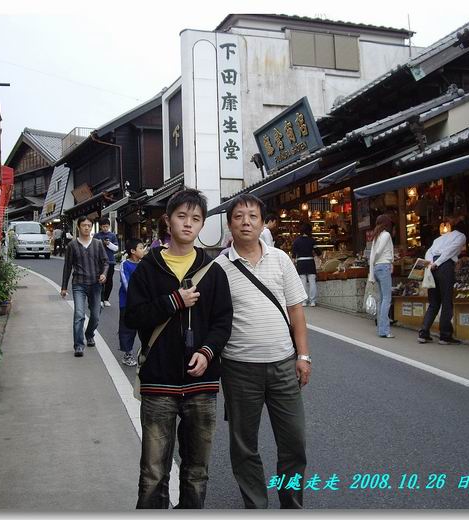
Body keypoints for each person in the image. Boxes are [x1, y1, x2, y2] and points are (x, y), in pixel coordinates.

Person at [124, 188, 233, 509]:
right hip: (159, 383)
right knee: (153, 472)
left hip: (202, 385)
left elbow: (223, 321)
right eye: (181, 216)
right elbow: (133, 316)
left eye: (195, 218)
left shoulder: (213, 271)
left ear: (202, 225)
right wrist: (174, 301)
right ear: (168, 221)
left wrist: (208, 351)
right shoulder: (148, 268)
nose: (188, 223)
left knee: (197, 471)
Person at [215, 193, 311, 509]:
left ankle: (292, 505)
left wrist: (303, 355)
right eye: (239, 216)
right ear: (230, 224)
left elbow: (296, 310)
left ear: (262, 223)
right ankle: (256, 507)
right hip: (239, 369)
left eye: (253, 216)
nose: (246, 222)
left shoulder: (281, 259)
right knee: (244, 446)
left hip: (284, 365)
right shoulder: (219, 267)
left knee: (294, 443)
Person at [60, 216, 109, 357]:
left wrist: (104, 274)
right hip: (79, 284)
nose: (86, 228)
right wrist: (64, 287)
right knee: (79, 315)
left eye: (89, 225)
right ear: (78, 227)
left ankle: (89, 334)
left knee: (96, 315)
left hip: (95, 284)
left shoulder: (98, 244)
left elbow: (105, 262)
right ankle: (78, 346)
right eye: (84, 225)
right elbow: (67, 267)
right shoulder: (72, 245)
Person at [418, 218, 467, 345]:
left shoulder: (440, 239)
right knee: (446, 301)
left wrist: (431, 263)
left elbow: (429, 251)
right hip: (444, 266)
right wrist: (438, 263)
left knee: (433, 302)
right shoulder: (461, 236)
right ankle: (445, 335)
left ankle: (424, 332)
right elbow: (450, 251)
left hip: (432, 267)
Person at [118, 238, 145, 366]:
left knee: (145, 328)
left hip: (143, 302)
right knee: (127, 328)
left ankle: (145, 353)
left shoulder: (144, 264)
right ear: (133, 251)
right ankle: (127, 354)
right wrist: (137, 296)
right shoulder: (125, 264)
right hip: (127, 303)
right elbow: (126, 284)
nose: (143, 250)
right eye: (141, 248)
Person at [368, 214, 395, 338]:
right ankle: (384, 330)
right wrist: (389, 262)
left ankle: (381, 329)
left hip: (377, 268)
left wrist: (371, 272)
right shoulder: (386, 235)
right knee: (386, 299)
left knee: (382, 299)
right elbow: (378, 252)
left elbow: (373, 254)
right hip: (383, 266)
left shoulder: (376, 236)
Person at [291, 222, 321, 307]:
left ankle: (304, 301)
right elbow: (318, 252)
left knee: (302, 282)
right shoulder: (312, 240)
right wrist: (320, 258)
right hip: (310, 262)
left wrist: (293, 263)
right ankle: (313, 301)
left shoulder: (296, 241)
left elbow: (293, 254)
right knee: (312, 281)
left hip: (301, 262)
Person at [93, 218, 120, 307]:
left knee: (109, 281)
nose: (105, 228)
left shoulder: (112, 235)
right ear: (100, 226)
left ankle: (106, 299)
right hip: (99, 262)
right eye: (103, 226)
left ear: (109, 226)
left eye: (107, 226)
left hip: (110, 261)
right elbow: (93, 247)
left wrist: (109, 244)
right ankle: (100, 299)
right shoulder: (96, 236)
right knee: (100, 280)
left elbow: (116, 248)